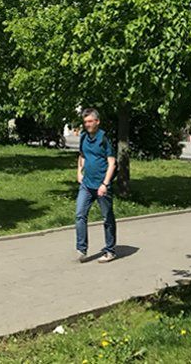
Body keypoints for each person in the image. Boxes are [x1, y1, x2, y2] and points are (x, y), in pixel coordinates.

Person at [74, 107, 117, 263]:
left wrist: (105, 184)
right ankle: (82, 249)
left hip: (101, 185)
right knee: (80, 214)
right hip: (86, 184)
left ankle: (110, 250)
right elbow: (82, 155)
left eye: (90, 121)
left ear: (97, 121)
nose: (87, 124)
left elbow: (112, 163)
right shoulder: (83, 137)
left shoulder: (104, 139)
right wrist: (79, 171)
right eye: (85, 122)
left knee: (107, 217)